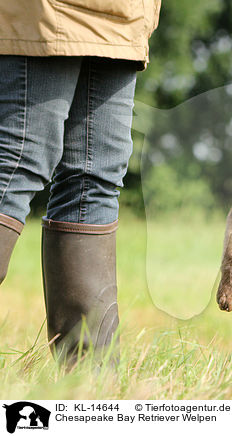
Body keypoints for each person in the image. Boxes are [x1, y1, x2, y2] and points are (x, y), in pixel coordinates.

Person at [0, 1, 161, 364]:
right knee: (17, 163)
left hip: (122, 19)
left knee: (96, 182)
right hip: (44, 14)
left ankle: (90, 389)